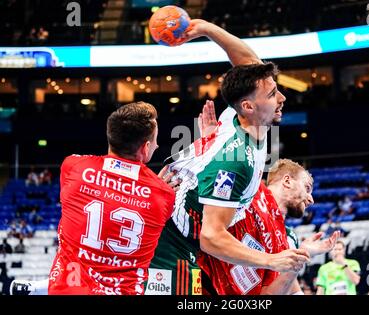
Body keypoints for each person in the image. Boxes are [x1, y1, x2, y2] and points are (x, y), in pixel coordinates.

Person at [148, 19, 305, 295]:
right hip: (173, 241)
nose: (281, 97)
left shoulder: (241, 115)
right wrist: (272, 260)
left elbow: (249, 62)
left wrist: (207, 28)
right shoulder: (234, 161)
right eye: (272, 94)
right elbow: (211, 237)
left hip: (189, 223)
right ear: (248, 106)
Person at [10, 102, 178, 295]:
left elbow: (108, 200)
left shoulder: (73, 166)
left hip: (68, 289)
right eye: (155, 140)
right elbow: (143, 206)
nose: (157, 145)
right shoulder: (164, 194)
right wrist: (152, 186)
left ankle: (41, 287)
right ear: (145, 148)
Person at [197, 159, 340, 295]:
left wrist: (300, 256)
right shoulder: (251, 188)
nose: (311, 199)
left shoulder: (283, 242)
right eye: (307, 188)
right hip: (196, 277)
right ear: (287, 181)